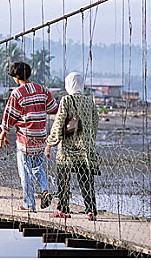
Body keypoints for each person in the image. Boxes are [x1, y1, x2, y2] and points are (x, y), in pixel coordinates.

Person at [0, 61, 58, 212]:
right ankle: (44, 191)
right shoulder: (42, 89)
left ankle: (29, 204)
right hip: (41, 138)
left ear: (16, 78)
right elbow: (53, 108)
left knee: (25, 172)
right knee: (37, 166)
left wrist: (2, 135)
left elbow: (9, 116)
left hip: (26, 139)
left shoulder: (17, 93)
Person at [45, 72, 100, 221]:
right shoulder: (89, 102)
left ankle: (63, 209)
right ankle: (91, 211)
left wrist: (50, 143)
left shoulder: (66, 100)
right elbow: (95, 122)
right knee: (86, 181)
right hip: (85, 149)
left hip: (67, 149)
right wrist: (89, 140)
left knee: (63, 179)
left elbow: (59, 123)